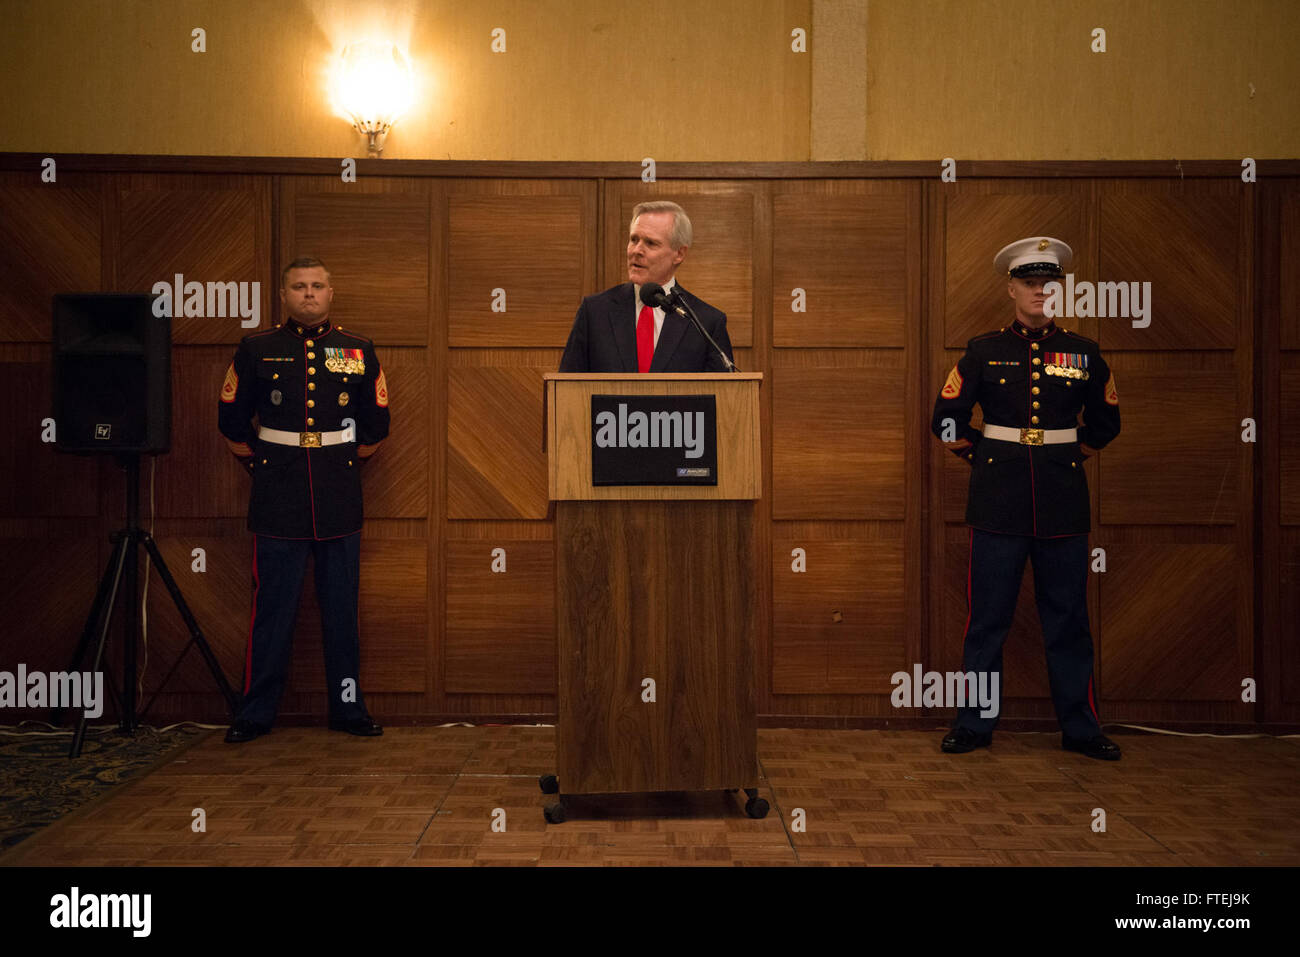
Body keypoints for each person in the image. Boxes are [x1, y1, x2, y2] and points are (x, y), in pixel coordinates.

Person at [931, 237, 1122, 760]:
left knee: (1068, 619)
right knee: (987, 620)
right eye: (1031, 283)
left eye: (1049, 284)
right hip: (998, 501)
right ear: (1011, 288)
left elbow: (1107, 423)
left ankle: (1081, 729)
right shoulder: (984, 350)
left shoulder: (1084, 352)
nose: (1041, 292)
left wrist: (1065, 457)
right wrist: (984, 460)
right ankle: (974, 725)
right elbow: (945, 419)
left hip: (1062, 500)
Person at [217, 257, 389, 742]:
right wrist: (262, 467)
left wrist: (343, 464)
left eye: (317, 286)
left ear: (331, 293)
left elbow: (377, 424)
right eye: (299, 287)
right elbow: (230, 418)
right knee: (272, 609)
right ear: (284, 295)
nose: (308, 294)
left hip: (338, 493)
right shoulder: (257, 348)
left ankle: (349, 710)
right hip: (277, 494)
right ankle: (255, 713)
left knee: (342, 611)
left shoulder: (357, 349)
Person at [559, 200, 734, 373]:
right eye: (634, 240)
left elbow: (721, 397)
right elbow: (566, 390)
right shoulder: (595, 312)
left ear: (679, 254)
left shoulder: (706, 322)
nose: (636, 251)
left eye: (650, 243)